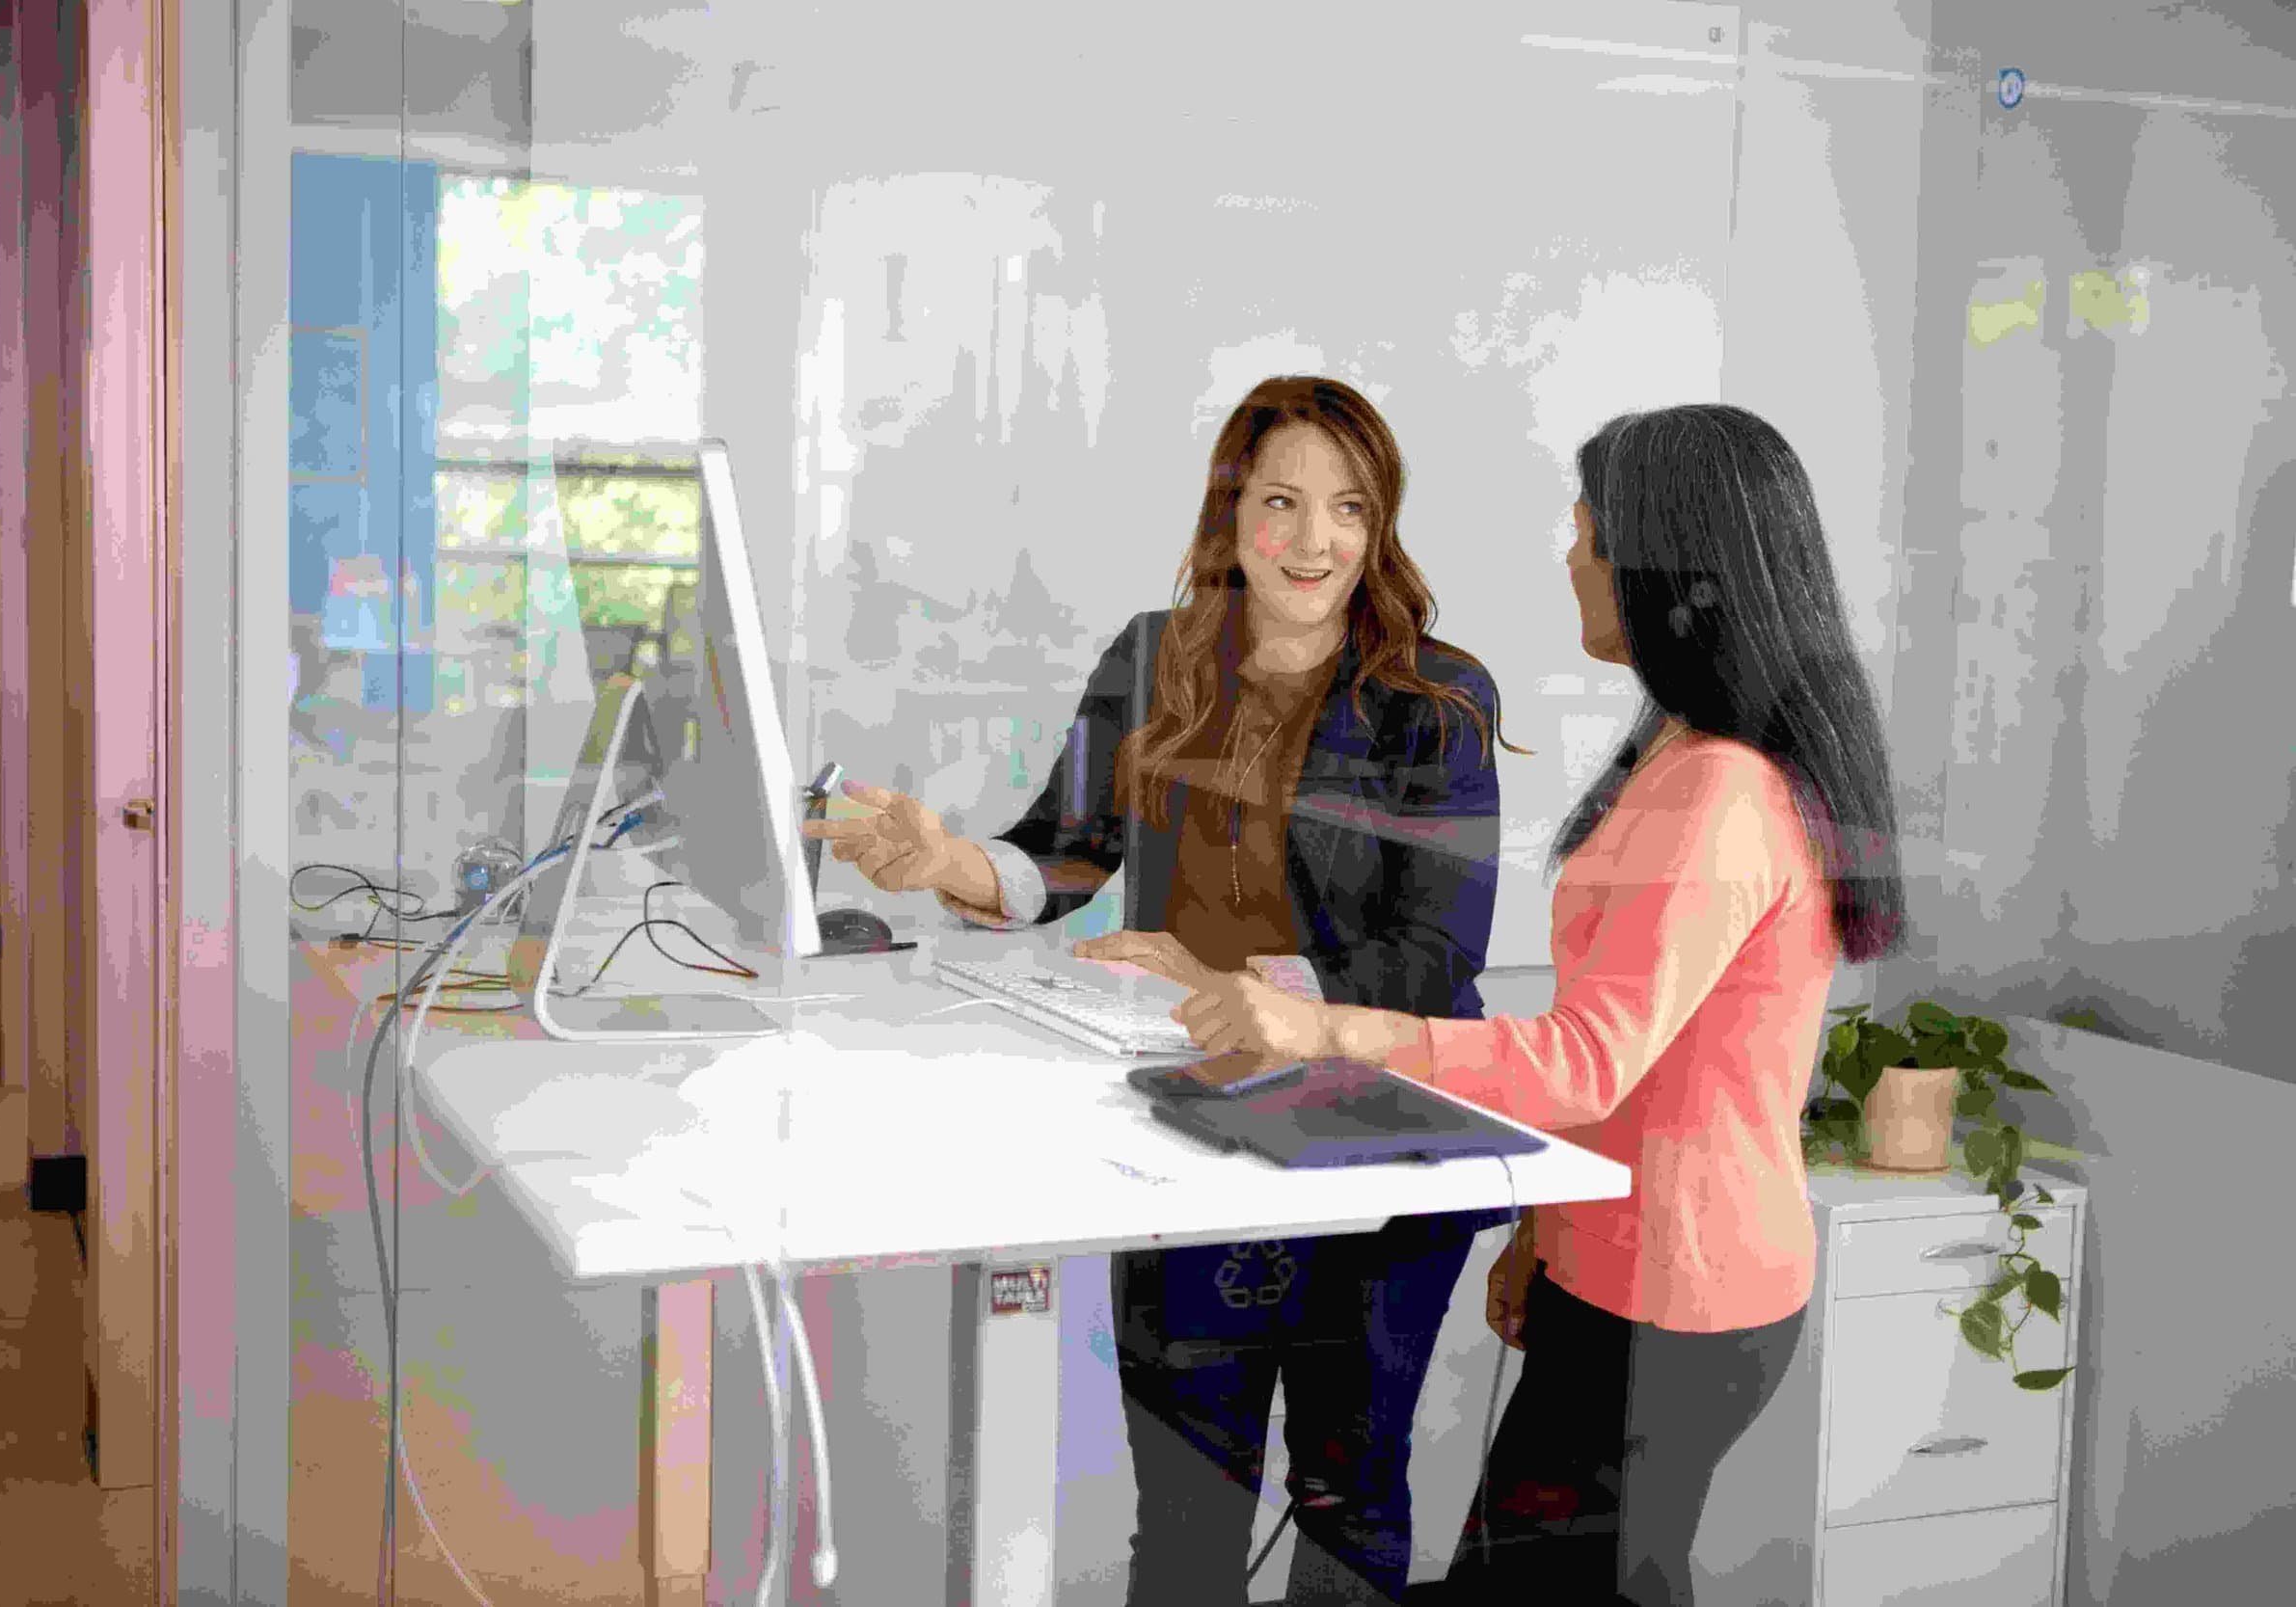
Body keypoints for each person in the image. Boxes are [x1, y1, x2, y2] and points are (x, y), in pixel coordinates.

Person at [1170, 403, 1907, 1605]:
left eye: (1590, 534)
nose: (1572, 556)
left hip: (1677, 1287)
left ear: (1677, 568)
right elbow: (1643, 1046)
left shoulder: (1720, 784)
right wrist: (1543, 1235)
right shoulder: (1683, 744)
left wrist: (1318, 1023)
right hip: (1627, 1265)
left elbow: (1587, 1057)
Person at [804, 375, 1523, 1604]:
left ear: (1381, 521)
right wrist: (947, 862)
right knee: (1187, 1504)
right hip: (1194, 1126)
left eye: (1348, 508)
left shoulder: (1435, 697)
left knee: (1351, 1491)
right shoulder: (1153, 656)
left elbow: (1434, 953)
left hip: (1373, 1128)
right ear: (1230, 511)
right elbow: (1067, 850)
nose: (1314, 541)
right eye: (1282, 502)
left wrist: (1220, 974)